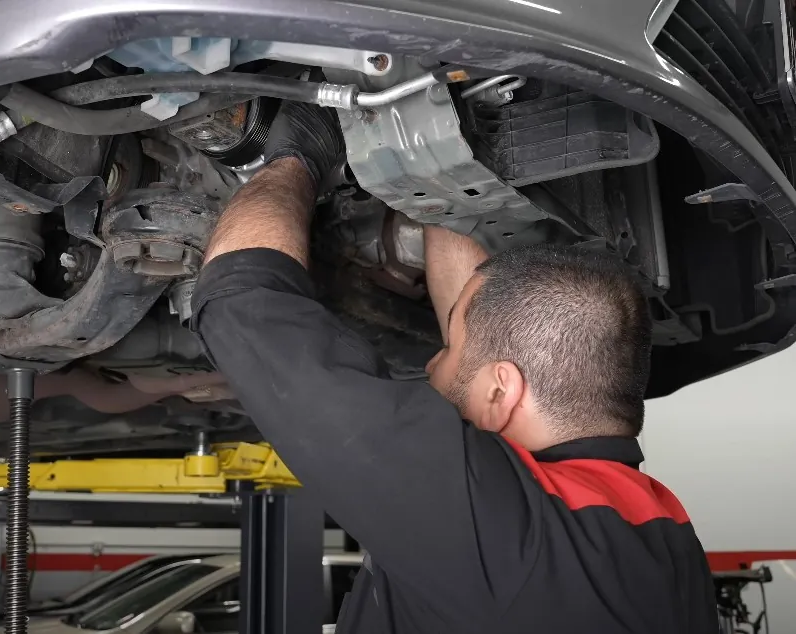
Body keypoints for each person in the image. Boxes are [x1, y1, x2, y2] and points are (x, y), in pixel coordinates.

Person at [190, 102, 717, 633]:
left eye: (447, 348)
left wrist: (298, 155)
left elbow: (244, 304)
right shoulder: (651, 528)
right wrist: (429, 183)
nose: (432, 361)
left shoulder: (523, 535)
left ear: (501, 392)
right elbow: (243, 302)